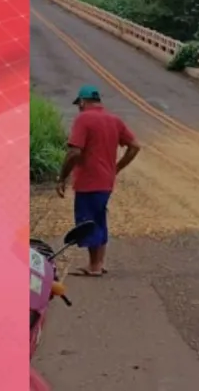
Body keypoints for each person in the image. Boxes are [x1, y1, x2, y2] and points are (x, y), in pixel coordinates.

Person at [55, 84, 140, 277]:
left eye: (79, 104)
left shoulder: (83, 119)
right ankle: (99, 263)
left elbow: (74, 152)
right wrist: (116, 168)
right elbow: (134, 146)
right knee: (99, 218)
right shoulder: (114, 120)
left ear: (83, 102)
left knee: (87, 222)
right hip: (106, 182)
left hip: (88, 181)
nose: (79, 107)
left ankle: (94, 266)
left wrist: (62, 177)